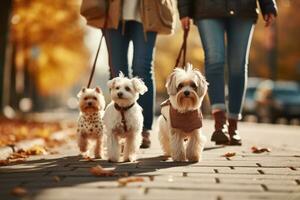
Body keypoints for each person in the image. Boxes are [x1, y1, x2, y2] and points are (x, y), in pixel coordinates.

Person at [177, 0, 278, 145]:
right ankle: (220, 125)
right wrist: (184, 10)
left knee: (238, 66)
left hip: (243, 7)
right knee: (214, 61)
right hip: (207, 8)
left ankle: (233, 126)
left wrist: (268, 4)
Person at [95, 0, 174, 148]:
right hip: (113, 12)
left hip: (147, 13)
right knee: (116, 71)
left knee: (142, 68)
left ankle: (143, 129)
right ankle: (116, 127)